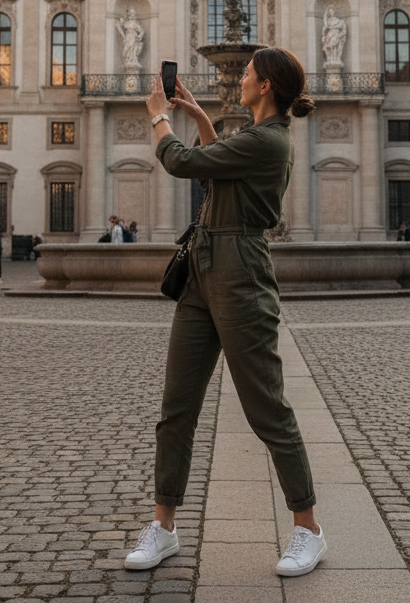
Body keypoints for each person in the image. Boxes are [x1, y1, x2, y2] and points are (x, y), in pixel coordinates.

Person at [125, 48, 327, 578]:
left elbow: (182, 163)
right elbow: (217, 169)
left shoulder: (270, 138)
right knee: (177, 407)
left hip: (242, 272)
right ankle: (164, 528)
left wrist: (159, 116)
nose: (240, 79)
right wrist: (196, 115)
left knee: (267, 409)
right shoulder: (253, 138)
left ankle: (309, 529)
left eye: (247, 74)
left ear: (266, 87)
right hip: (204, 267)